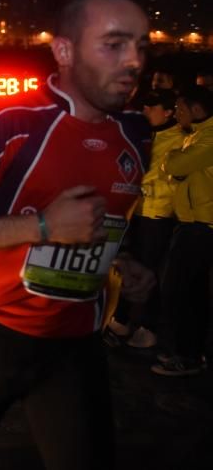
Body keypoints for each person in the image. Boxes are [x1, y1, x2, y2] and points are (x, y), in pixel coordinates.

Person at [0, 0, 153, 470]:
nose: (135, 61)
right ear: (63, 51)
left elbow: (97, 227)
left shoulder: (136, 135)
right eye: (114, 45)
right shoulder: (10, 123)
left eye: (141, 46)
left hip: (76, 341)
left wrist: (121, 262)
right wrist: (41, 227)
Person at [108, 89, 181, 349]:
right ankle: (121, 320)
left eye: (152, 107)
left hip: (158, 214)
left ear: (169, 112)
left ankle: (148, 327)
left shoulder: (179, 139)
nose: (146, 111)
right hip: (134, 212)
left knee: (149, 272)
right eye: (145, 107)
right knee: (125, 266)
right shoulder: (142, 132)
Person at [152, 84, 213, 377]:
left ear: (197, 110)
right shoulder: (199, 135)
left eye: (180, 109)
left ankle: (188, 356)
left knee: (183, 293)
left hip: (202, 227)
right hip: (194, 223)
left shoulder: (209, 137)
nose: (177, 115)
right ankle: (190, 353)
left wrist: (172, 157)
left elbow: (176, 166)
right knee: (191, 292)